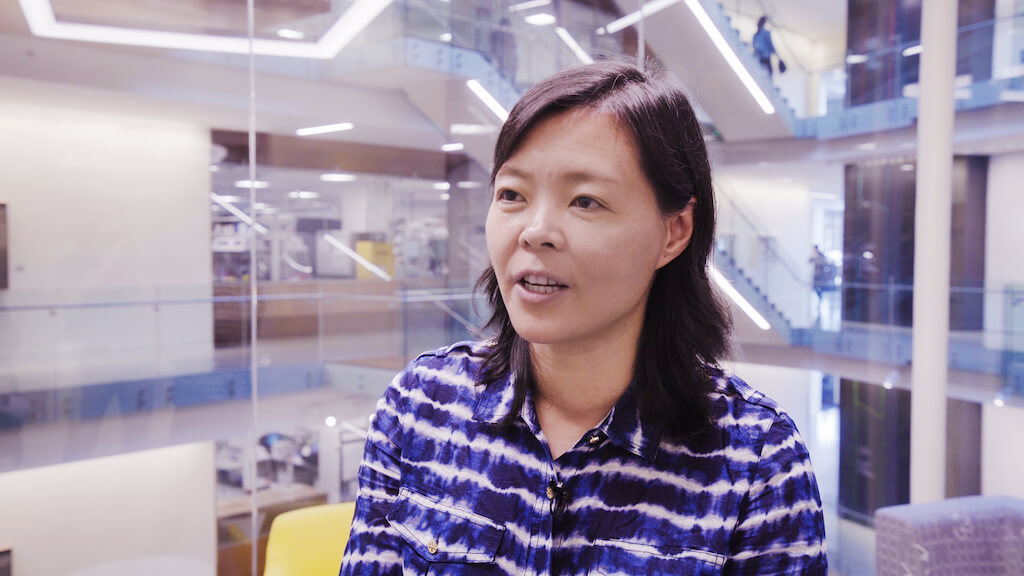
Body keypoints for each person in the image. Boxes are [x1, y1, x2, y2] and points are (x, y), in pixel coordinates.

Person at [338, 59, 827, 575]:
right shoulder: (421, 405)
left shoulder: (756, 462)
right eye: (512, 195)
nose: (535, 231)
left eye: (586, 201)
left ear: (674, 232)